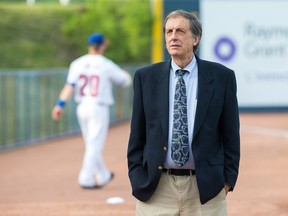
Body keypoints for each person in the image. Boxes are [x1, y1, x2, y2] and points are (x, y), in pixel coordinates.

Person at [127, 9, 240, 215]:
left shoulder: (222, 77)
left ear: (195, 38)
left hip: (205, 191)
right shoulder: (146, 78)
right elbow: (137, 134)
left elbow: (231, 134)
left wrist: (227, 181)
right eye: (169, 32)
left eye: (180, 31)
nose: (173, 37)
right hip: (156, 190)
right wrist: (137, 177)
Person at [52, 33, 131, 189]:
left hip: (82, 107)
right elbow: (125, 81)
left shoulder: (77, 63)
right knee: (94, 145)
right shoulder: (106, 64)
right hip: (98, 107)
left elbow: (70, 86)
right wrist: (125, 73)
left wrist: (60, 104)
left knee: (91, 144)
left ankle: (103, 175)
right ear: (101, 46)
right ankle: (86, 178)